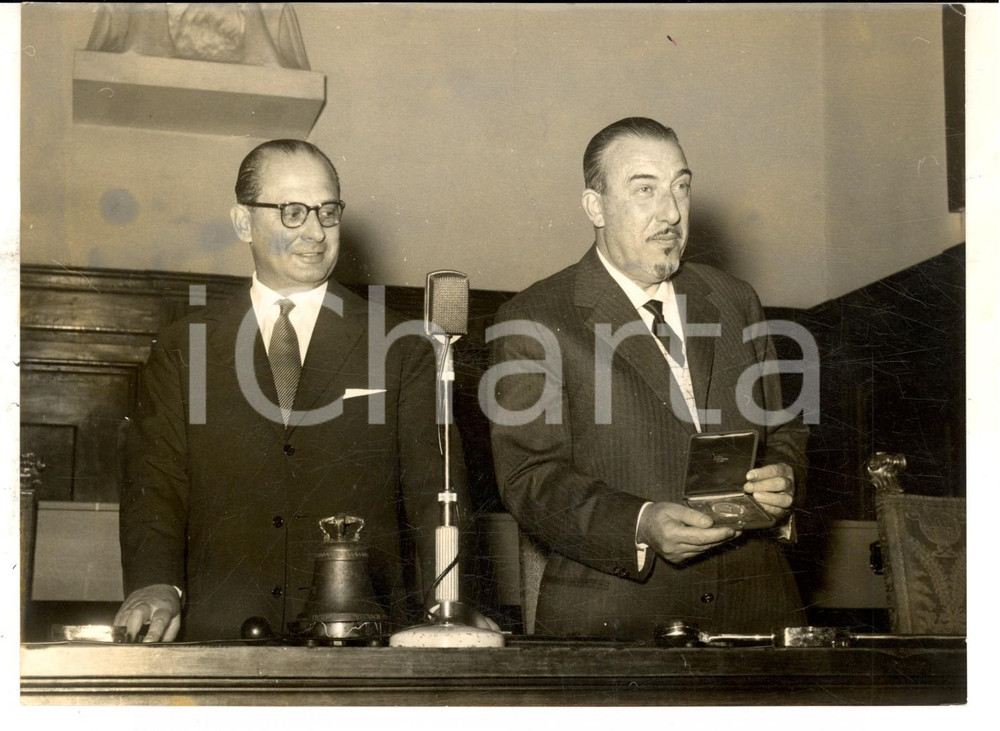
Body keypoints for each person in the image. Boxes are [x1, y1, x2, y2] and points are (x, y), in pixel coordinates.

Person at [115, 139, 474, 642]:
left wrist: (448, 603)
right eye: (292, 212)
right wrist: (155, 585)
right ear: (243, 222)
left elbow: (432, 497)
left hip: (361, 636)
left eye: (328, 211)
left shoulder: (403, 347)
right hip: (216, 638)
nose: (315, 231)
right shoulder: (183, 347)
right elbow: (155, 487)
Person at [488, 117, 809, 639]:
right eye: (645, 190)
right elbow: (530, 478)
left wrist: (784, 479)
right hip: (617, 621)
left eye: (681, 187)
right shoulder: (534, 317)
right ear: (595, 206)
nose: (672, 213)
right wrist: (639, 524)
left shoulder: (735, 300)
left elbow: (785, 432)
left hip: (757, 610)